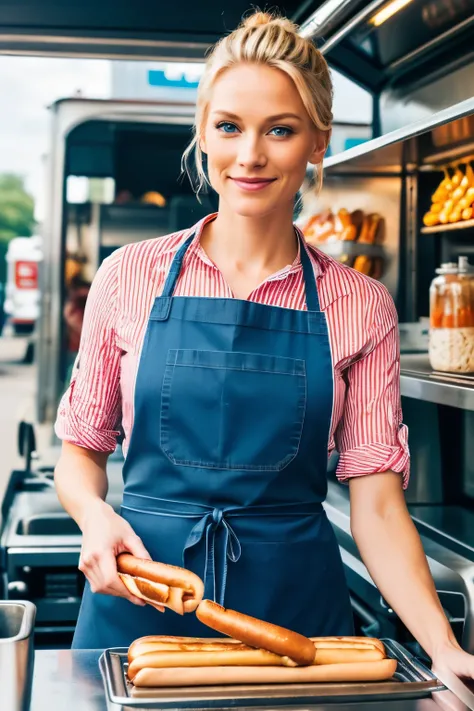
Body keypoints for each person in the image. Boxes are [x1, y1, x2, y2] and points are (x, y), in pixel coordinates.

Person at [54, 11, 474, 676]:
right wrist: (93, 513)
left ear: (317, 142)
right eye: (229, 127)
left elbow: (379, 504)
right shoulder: (127, 275)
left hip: (295, 622)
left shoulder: (360, 304)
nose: (250, 155)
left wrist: (444, 648)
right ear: (203, 132)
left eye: (280, 129)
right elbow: (80, 451)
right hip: (141, 606)